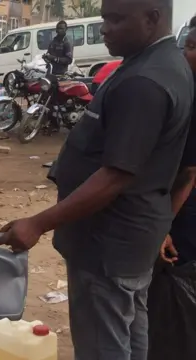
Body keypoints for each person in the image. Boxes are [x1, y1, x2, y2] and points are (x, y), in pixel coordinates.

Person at [0, 0, 194, 359]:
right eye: (105, 17)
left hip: (108, 243)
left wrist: (38, 223)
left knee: (103, 346)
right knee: (130, 335)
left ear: (153, 18)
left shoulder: (145, 81)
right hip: (133, 236)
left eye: (115, 19)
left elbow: (116, 176)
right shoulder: (161, 66)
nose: (104, 28)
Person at [147, 17, 196, 359]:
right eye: (185, 45)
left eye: (192, 47)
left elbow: (189, 173)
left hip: (184, 213)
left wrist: (162, 226)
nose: (184, 53)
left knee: (173, 287)